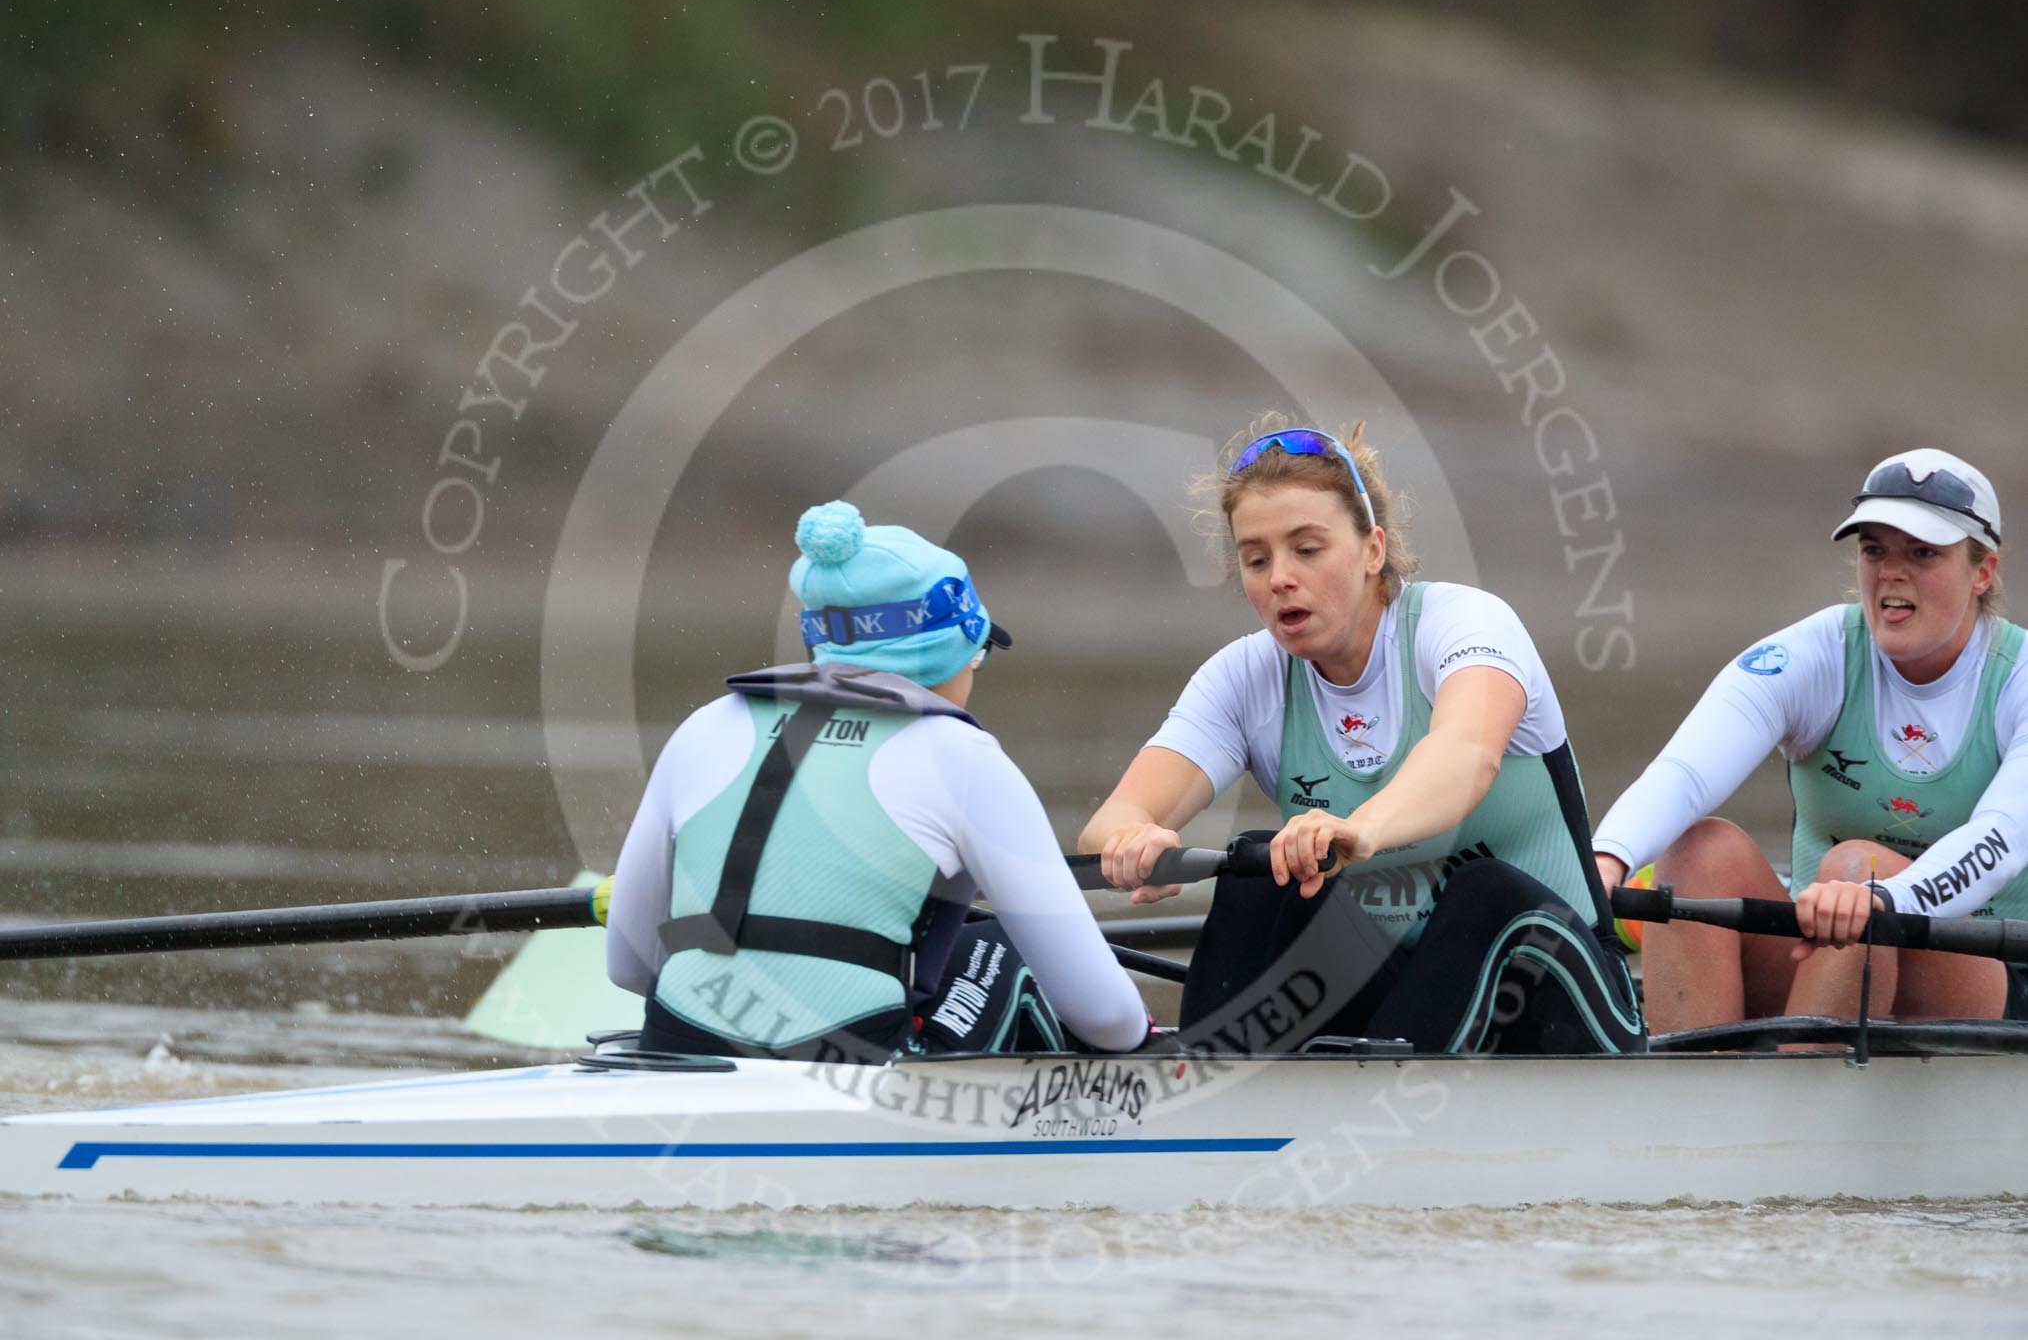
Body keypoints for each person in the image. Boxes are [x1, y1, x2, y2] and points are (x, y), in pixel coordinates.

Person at [1078, 415, 1643, 1055]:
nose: (1279, 577)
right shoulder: (1244, 677)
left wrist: (1362, 829)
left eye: (1307, 549)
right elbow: (1109, 824)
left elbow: (1467, 755)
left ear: (1373, 550)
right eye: (1256, 559)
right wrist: (1133, 841)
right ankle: (1208, 1087)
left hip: (1562, 995)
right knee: (1259, 868)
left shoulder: (1466, 624)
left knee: (1483, 891)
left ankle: (1350, 1091)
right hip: (1405, 1000)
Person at [605, 500, 1153, 1063]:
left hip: (678, 1045)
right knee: (999, 946)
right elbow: (1107, 1018)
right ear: (950, 649)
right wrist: (1144, 1041)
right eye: (979, 654)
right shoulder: (961, 755)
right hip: (849, 1067)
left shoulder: (706, 726)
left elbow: (628, 963)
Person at [1593, 449, 2025, 1033]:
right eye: (1874, 550)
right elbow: (1686, 773)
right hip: (1822, 959)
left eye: (1923, 553)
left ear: (1982, 572)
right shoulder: (1815, 655)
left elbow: (2002, 837)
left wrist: (1884, 899)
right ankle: (1694, 1078)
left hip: (1988, 982)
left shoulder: (2018, 680)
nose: (1892, 573)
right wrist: (1607, 857)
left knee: (1857, 867)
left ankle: (1798, 1077)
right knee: (1697, 852)